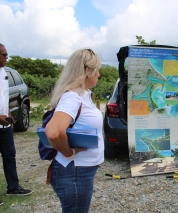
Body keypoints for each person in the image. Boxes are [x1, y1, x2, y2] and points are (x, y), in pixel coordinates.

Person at [45, 48, 104, 212]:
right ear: (87, 70)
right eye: (97, 69)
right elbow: (54, 132)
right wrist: (68, 152)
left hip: (79, 171)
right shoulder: (72, 97)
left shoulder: (82, 96)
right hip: (75, 172)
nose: (98, 74)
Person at [0, 43, 32, 206]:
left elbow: (5, 100)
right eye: (3, 54)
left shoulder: (4, 74)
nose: (7, 57)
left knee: (10, 156)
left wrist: (10, 117)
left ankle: (13, 187)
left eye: (7, 54)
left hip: (4, 127)